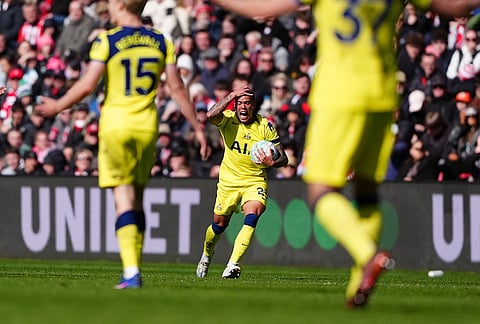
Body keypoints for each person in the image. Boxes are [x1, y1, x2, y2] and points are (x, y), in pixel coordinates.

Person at [211, 0, 480, 308]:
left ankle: (368, 255)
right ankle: (357, 289)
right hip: (382, 96)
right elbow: (450, 6)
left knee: (321, 190)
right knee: (366, 190)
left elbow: (263, 8)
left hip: (340, 95)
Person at [36, 0, 208, 289]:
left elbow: (88, 85)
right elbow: (177, 88)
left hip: (117, 125)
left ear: (118, 5)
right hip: (147, 126)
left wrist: (58, 106)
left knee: (123, 198)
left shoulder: (109, 40)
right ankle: (135, 267)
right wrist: (197, 127)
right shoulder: (161, 40)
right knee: (138, 198)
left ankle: (131, 273)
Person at [196, 86, 288, 279]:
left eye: (247, 103)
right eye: (240, 103)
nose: (243, 107)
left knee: (253, 214)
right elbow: (210, 115)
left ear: (253, 106)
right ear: (235, 105)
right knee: (219, 225)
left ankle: (232, 264)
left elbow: (284, 158)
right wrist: (231, 95)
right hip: (229, 181)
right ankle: (206, 255)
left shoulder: (265, 125)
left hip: (254, 180)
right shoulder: (228, 119)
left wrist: (273, 161)